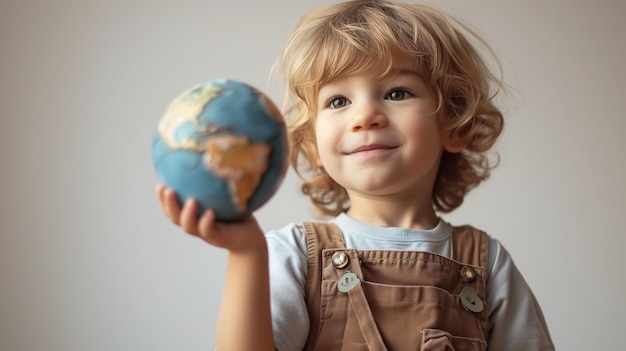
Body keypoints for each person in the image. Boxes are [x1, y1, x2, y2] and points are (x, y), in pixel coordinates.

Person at [156, 0, 554, 350]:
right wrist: (245, 252)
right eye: (338, 100)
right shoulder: (294, 255)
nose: (365, 117)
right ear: (311, 143)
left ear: (453, 122)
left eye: (397, 92)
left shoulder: (489, 266)